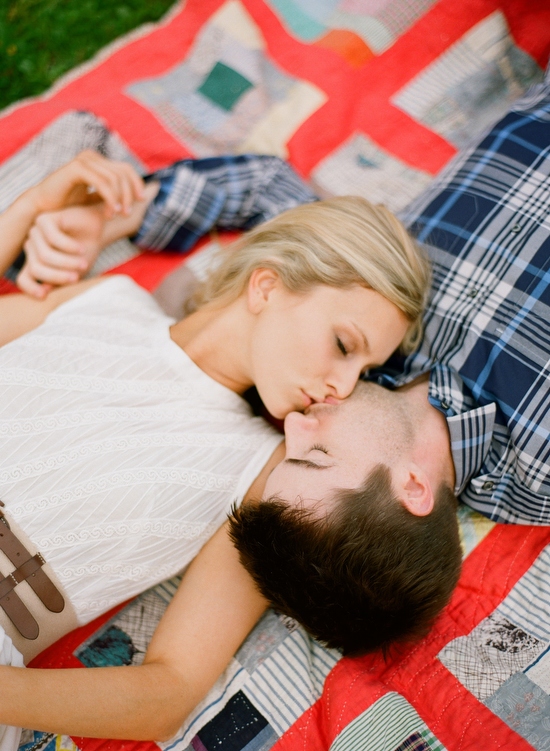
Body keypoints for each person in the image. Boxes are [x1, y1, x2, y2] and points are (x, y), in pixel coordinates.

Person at [0, 151, 459, 744]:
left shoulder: (267, 477)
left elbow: (168, 693)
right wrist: (31, 205)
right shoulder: (106, 300)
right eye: (344, 345)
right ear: (267, 284)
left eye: (365, 368)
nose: (342, 389)